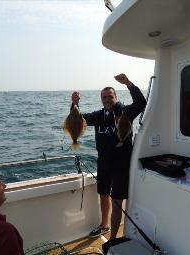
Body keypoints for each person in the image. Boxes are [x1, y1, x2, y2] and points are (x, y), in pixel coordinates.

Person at [71, 73, 146, 239]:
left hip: (121, 164)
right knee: (103, 195)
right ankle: (104, 226)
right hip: (103, 162)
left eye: (110, 96)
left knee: (117, 201)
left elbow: (141, 103)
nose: (107, 99)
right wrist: (74, 104)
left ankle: (112, 238)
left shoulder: (126, 112)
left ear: (116, 96)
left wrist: (128, 83)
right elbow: (77, 120)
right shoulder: (98, 116)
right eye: (104, 97)